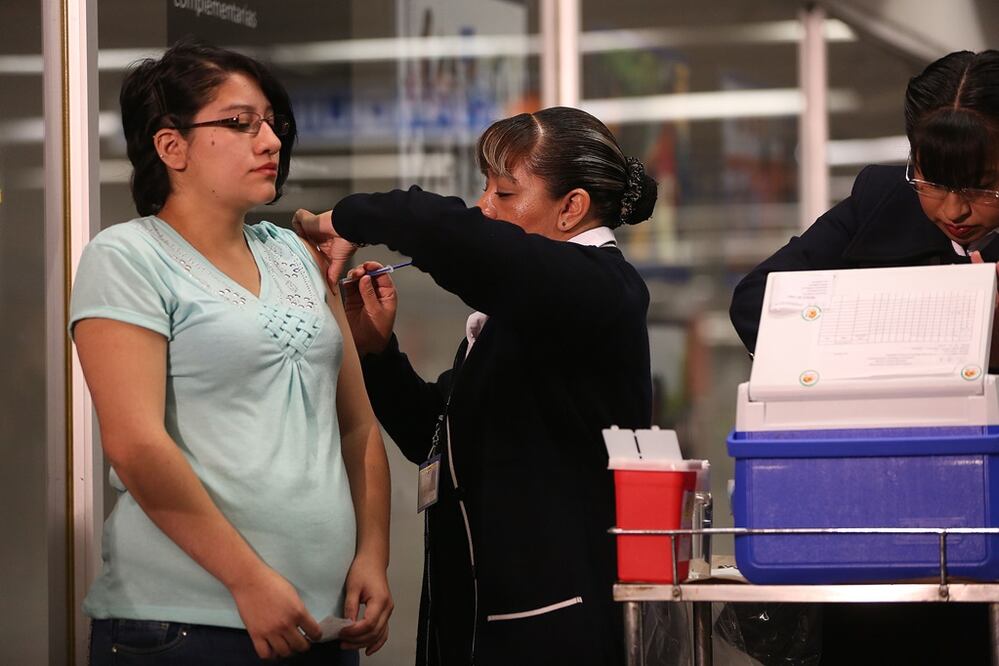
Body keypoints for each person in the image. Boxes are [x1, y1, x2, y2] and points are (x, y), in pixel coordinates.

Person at [295, 106, 658, 666]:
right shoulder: (529, 310)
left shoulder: (601, 289)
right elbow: (435, 441)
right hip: (474, 619)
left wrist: (348, 218)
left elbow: (451, 234)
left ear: (572, 208)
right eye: (484, 188)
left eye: (505, 194)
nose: (484, 207)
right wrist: (378, 353)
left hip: (552, 628)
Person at [70, 40, 392, 665]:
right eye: (240, 123)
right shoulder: (127, 256)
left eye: (272, 123)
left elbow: (356, 425)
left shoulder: (296, 253)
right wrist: (247, 579)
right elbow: (136, 445)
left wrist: (372, 556)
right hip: (185, 623)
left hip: (321, 620)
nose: (269, 140)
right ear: (172, 146)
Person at [729, 49, 999, 664]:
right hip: (876, 515)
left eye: (981, 187)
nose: (954, 210)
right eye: (932, 180)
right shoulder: (883, 197)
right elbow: (757, 303)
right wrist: (911, 321)